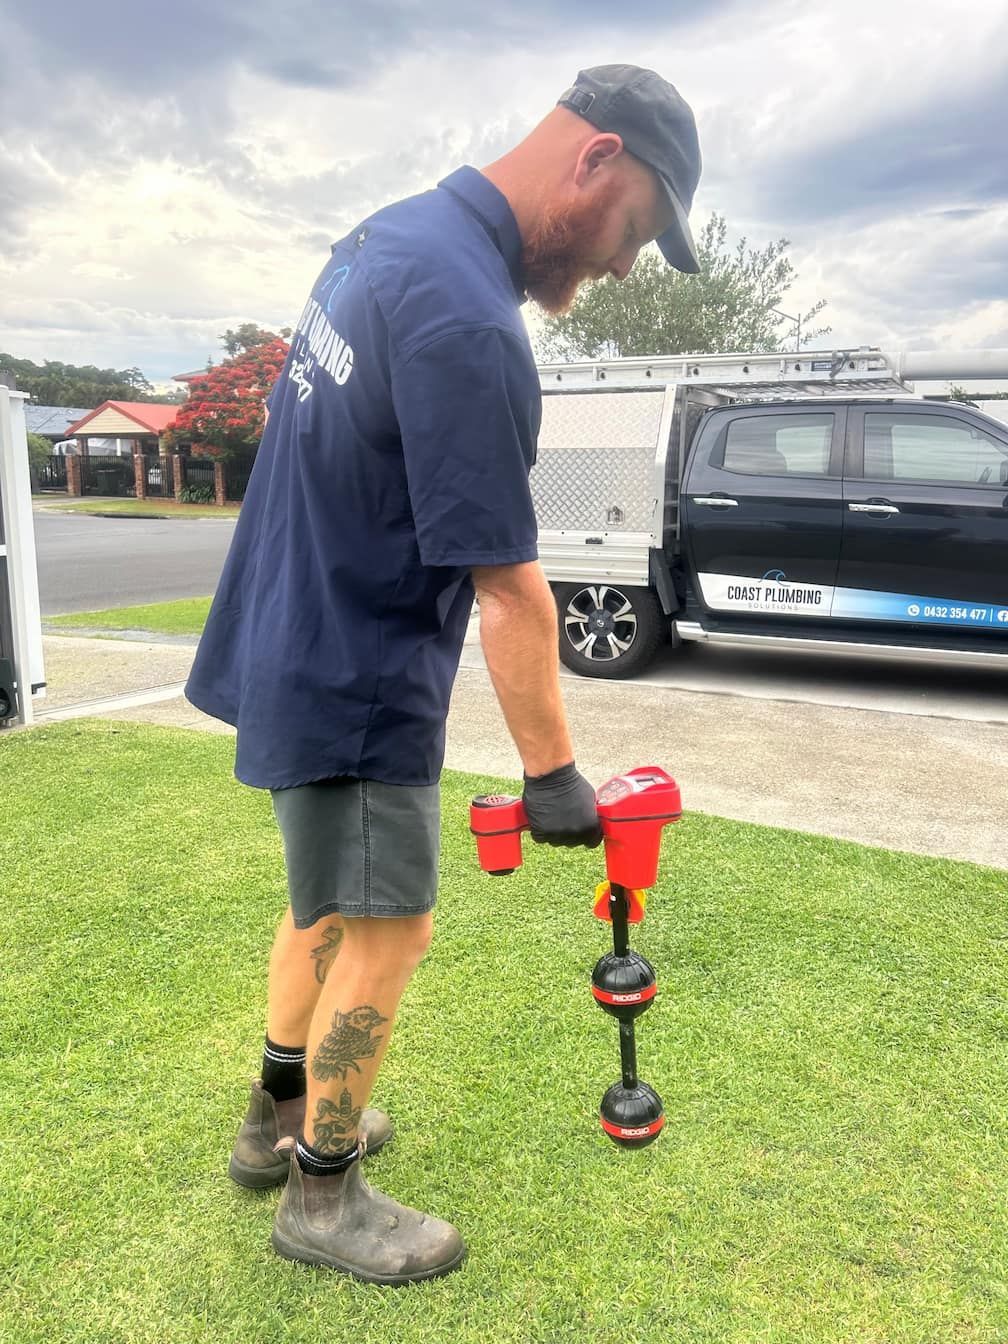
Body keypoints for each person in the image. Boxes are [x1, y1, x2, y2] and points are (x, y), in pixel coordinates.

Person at [185, 63, 701, 1285]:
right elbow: (511, 586)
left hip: (293, 633)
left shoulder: (387, 239)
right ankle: (322, 1196)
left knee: (323, 906)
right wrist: (555, 776)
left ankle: (274, 1120)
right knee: (387, 927)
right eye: (635, 228)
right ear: (596, 159)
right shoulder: (468, 320)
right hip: (358, 674)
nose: (623, 265)